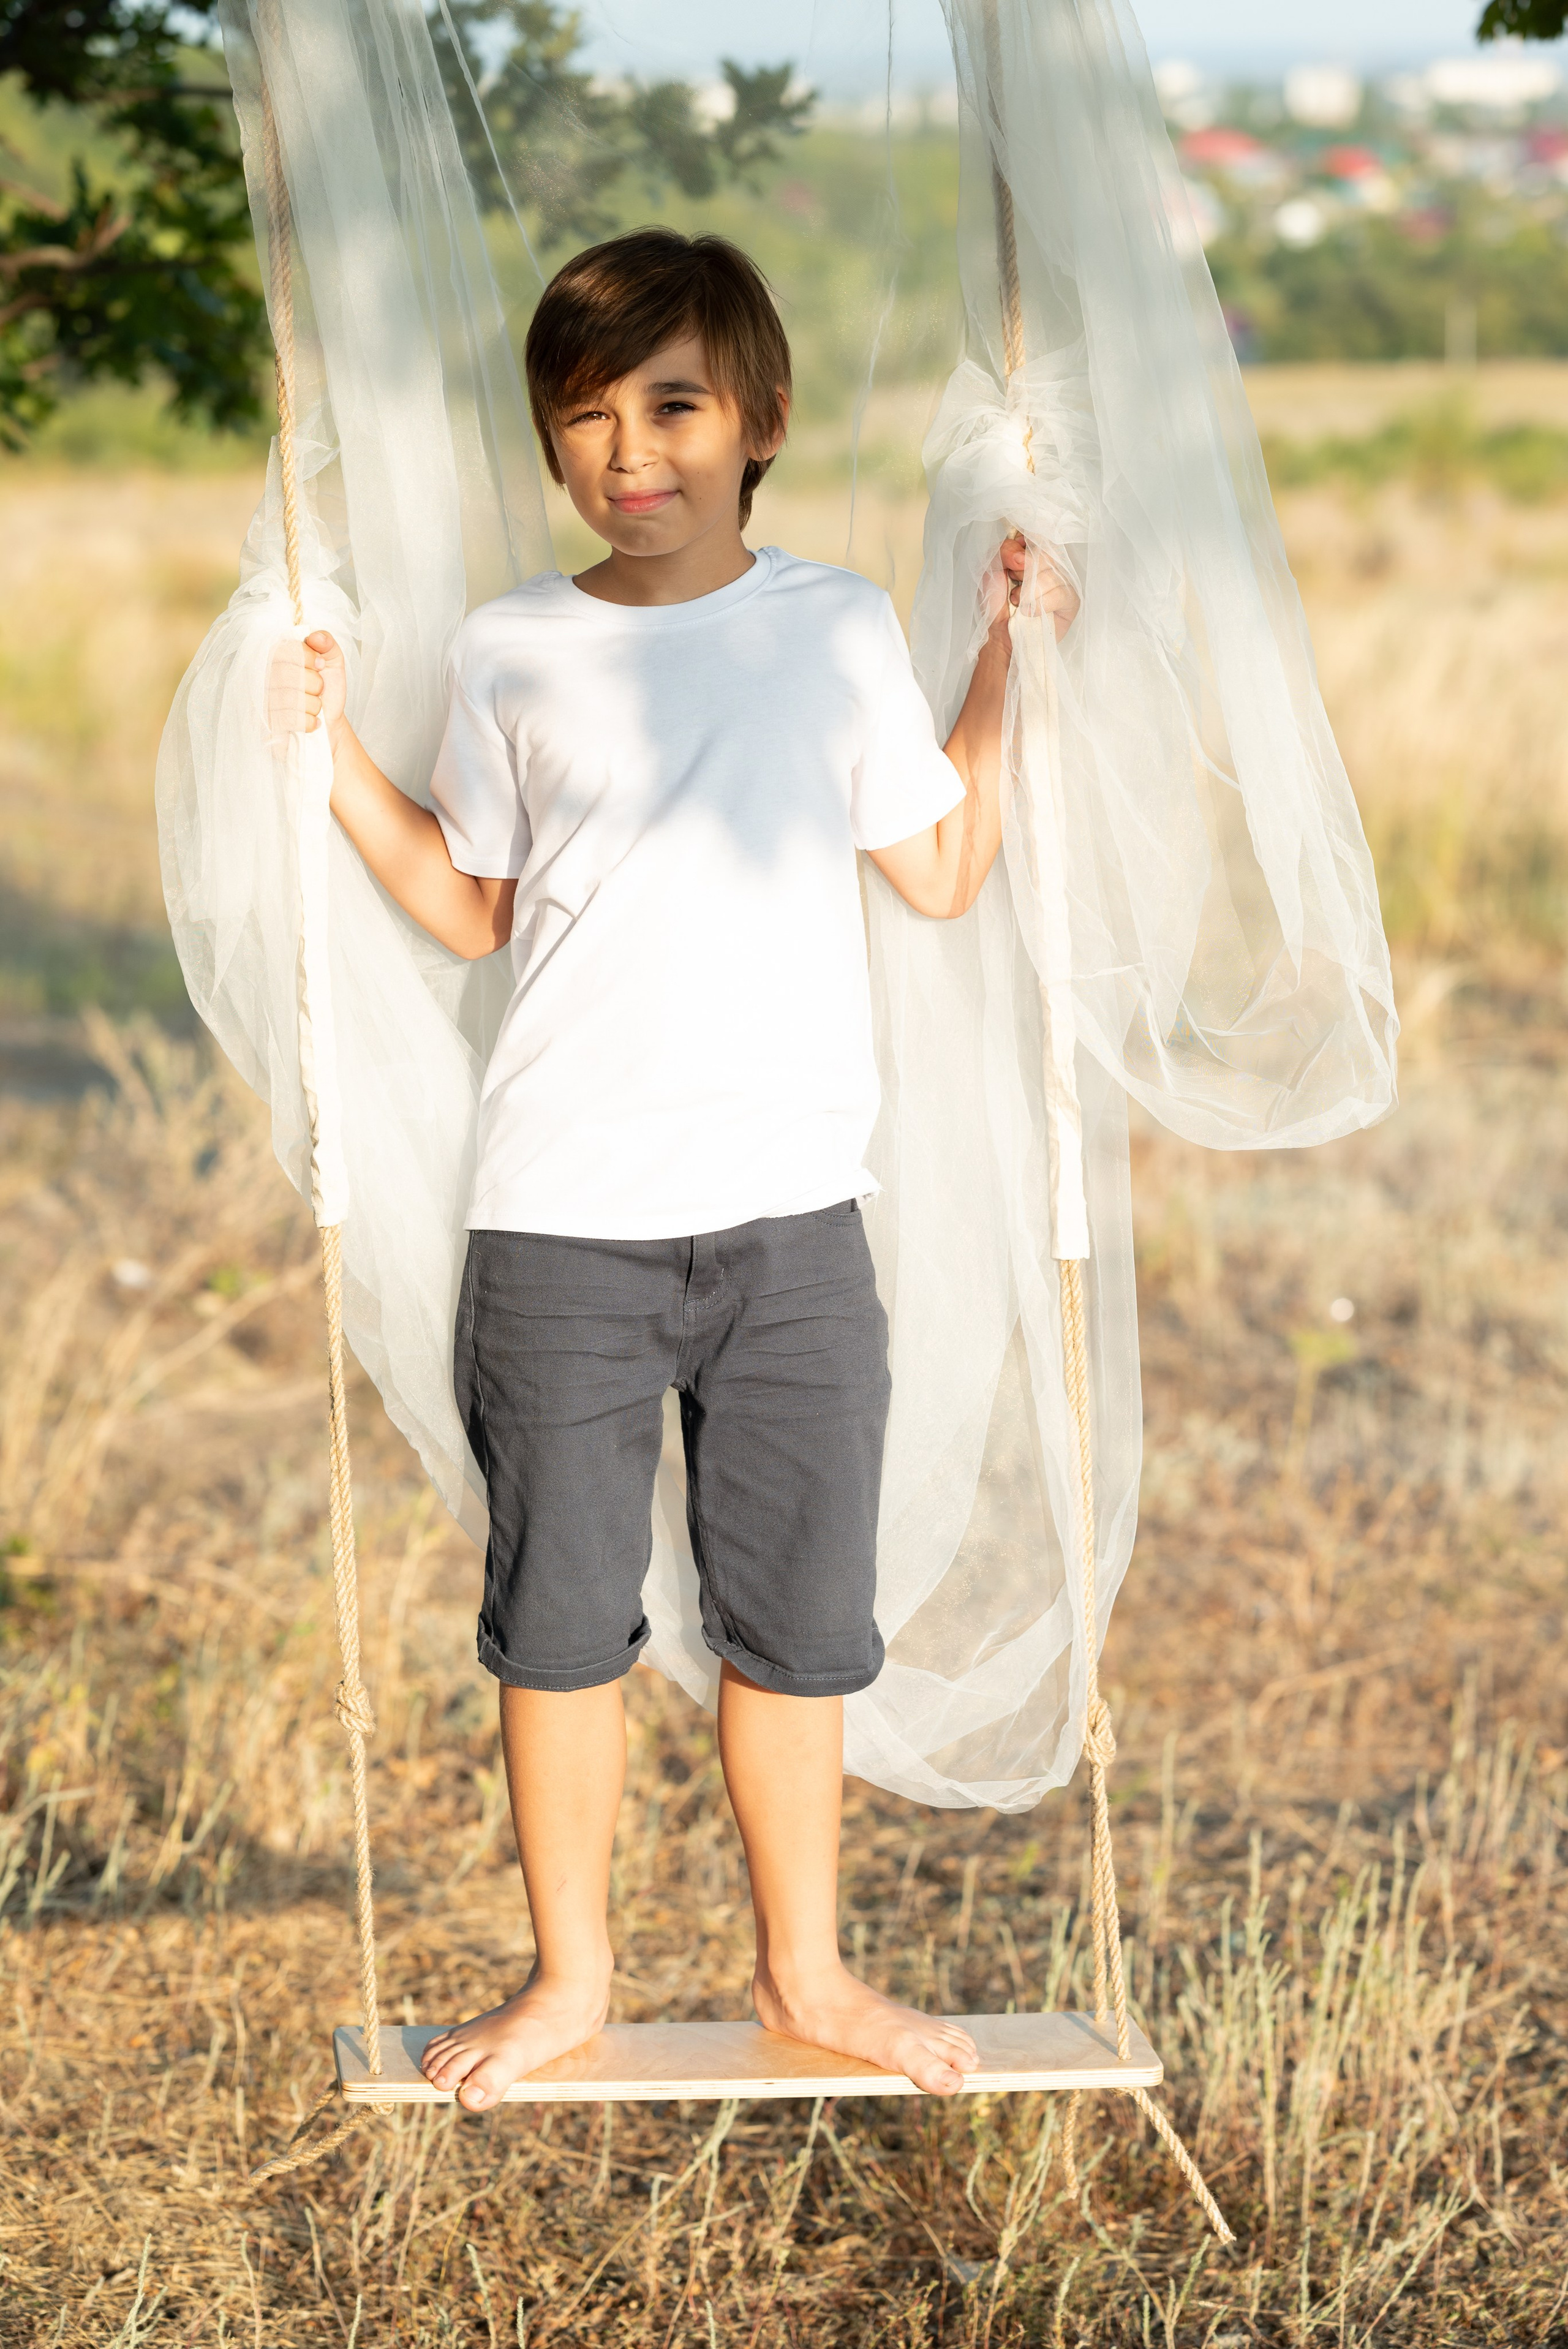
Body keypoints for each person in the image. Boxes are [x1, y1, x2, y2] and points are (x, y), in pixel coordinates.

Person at [268, 227, 1077, 2112]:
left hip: (792, 1220)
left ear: (761, 419)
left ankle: (811, 1967)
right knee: (559, 1620)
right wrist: (328, 761)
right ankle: (570, 1976)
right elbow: (471, 907)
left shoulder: (835, 629)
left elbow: (943, 864)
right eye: (584, 417)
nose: (630, 451)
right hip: (561, 1217)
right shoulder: (513, 648)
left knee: (798, 1619)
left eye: (675, 406)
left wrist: (1005, 656)